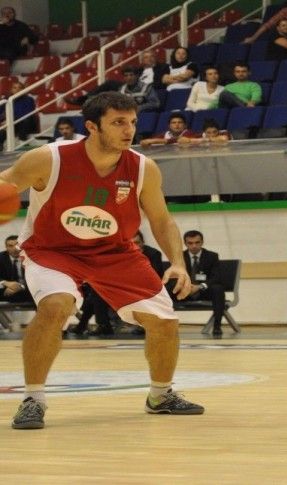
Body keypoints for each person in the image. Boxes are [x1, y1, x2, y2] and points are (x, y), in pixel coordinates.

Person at [2, 92, 204, 430]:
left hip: (114, 252)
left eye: (133, 122)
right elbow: (6, 183)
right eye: (118, 123)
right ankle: (33, 399)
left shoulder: (143, 168)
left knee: (164, 322)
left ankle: (160, 396)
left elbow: (162, 220)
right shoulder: (48, 159)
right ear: (92, 127)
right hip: (53, 250)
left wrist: (178, 263)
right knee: (55, 306)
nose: (129, 130)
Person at [169, 230, 226, 337]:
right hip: (184, 291)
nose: (194, 246)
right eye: (190, 243)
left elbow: (216, 277)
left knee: (218, 289)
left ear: (202, 242)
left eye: (197, 242)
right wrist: (186, 286)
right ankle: (165, 325)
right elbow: (173, 277)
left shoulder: (212, 256)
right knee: (167, 288)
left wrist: (200, 286)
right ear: (185, 243)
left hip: (204, 291)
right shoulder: (179, 257)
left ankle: (217, 326)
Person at [0, 235, 33, 305]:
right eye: (10, 246)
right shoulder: (1, 258)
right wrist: (4, 282)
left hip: (27, 290)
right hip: (7, 290)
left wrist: (21, 287)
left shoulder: (30, 257)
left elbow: (34, 278)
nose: (14, 248)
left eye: (17, 245)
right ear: (6, 247)